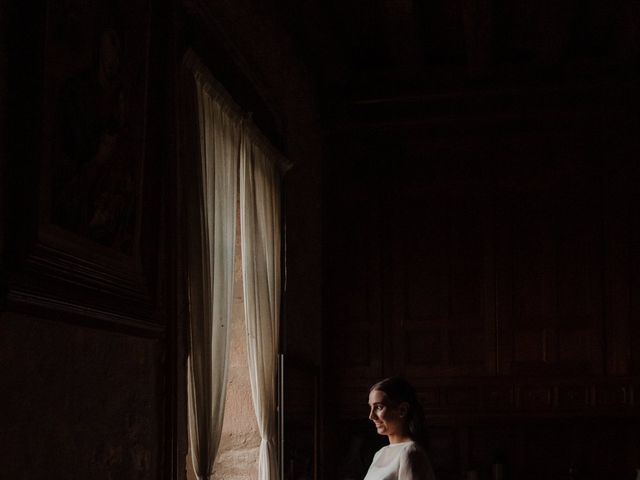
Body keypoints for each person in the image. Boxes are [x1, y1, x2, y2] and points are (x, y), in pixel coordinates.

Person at [364, 377, 436, 480]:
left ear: (402, 410)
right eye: (371, 407)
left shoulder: (410, 452)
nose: (371, 416)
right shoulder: (380, 453)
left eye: (379, 407)